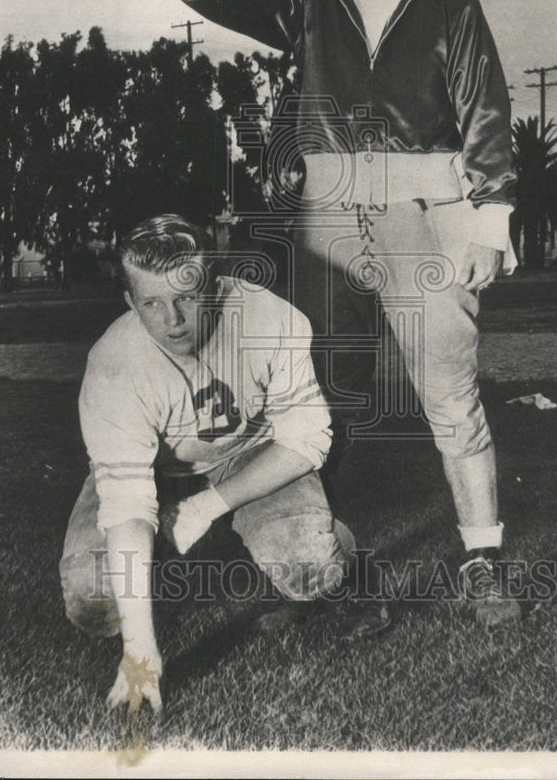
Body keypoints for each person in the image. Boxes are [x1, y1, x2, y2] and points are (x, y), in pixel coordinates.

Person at [134, 0, 521, 624]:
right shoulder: (313, 4)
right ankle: (320, 560)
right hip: (331, 213)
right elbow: (243, 0)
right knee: (318, 393)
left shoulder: (450, 5)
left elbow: (486, 113)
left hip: (427, 211)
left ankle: (481, 560)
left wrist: (491, 217)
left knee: (449, 396)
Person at [60, 214, 389, 714]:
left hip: (251, 451)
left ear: (213, 285)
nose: (172, 320)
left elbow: (307, 440)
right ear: (130, 302)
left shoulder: (269, 319)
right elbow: (126, 501)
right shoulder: (114, 362)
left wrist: (202, 509)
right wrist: (141, 653)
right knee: (93, 598)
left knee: (310, 569)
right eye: (151, 302)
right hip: (155, 469)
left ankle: (342, 556)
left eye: (186, 297)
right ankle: (179, 573)